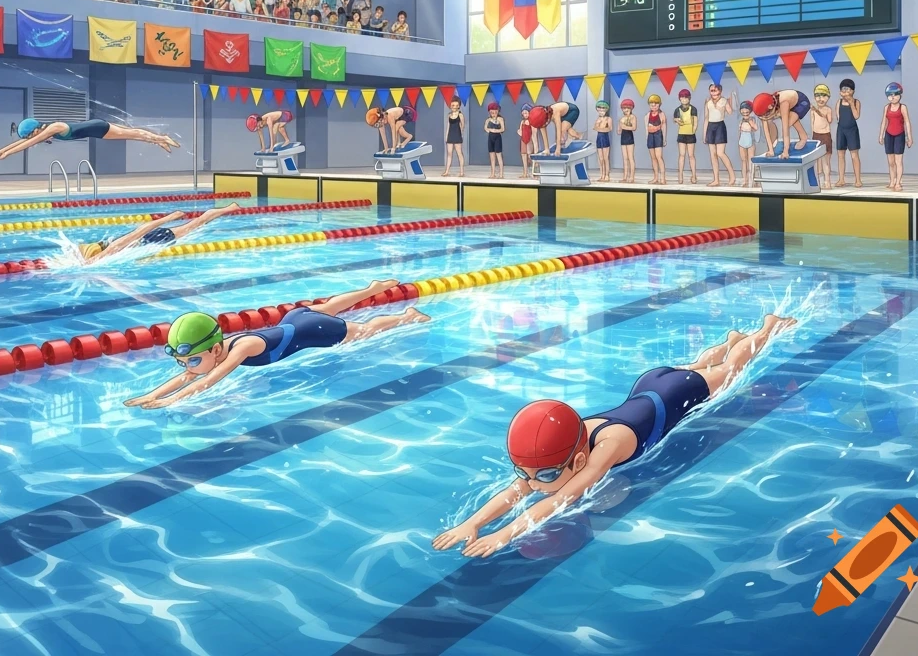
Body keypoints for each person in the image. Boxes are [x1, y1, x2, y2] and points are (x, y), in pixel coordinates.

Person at [432, 313, 797, 558]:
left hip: (674, 392)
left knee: (730, 369)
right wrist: (472, 523)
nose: (533, 484)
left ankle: (767, 328)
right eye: (526, 473)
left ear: (578, 460)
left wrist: (505, 534)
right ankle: (734, 338)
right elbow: (517, 491)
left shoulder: (608, 446)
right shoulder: (557, 454)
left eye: (544, 476)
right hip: (650, 384)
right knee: (701, 365)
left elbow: (564, 497)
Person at [124, 281, 430, 409]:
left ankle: (406, 315)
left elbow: (210, 380)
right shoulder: (211, 351)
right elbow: (189, 376)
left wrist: (170, 401)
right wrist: (150, 395)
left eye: (191, 361)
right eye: (183, 362)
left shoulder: (239, 349)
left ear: (215, 350)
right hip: (294, 318)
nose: (188, 369)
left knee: (365, 330)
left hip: (313, 331)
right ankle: (371, 289)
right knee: (330, 306)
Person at [78, 204, 240, 264]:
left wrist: (169, 218)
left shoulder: (114, 247)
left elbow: (141, 230)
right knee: (194, 225)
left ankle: (227, 209)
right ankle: (223, 210)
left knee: (194, 225)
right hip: (152, 240)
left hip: (155, 237)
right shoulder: (112, 248)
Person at [0, 118, 179, 159]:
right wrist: (2, 150)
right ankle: (160, 141)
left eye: (29, 134)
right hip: (96, 129)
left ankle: (163, 138)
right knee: (133, 134)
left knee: (133, 134)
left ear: (34, 130)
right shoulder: (46, 130)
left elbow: (29, 143)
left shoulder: (52, 128)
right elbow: (25, 141)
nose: (31, 138)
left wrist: (8, 154)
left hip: (98, 127)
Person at [752, 89, 811, 160]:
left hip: (801, 102)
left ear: (771, 107)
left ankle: (803, 137)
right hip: (786, 103)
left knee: (788, 123)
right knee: (789, 119)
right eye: (762, 117)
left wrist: (785, 152)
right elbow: (766, 131)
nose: (765, 118)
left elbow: (785, 131)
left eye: (766, 115)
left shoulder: (783, 103)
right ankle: (804, 135)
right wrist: (770, 150)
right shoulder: (763, 111)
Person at [878, 82, 912, 192]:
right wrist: (881, 134)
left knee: (898, 161)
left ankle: (898, 182)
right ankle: (892, 181)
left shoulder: (903, 108)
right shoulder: (886, 107)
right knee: (891, 162)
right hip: (889, 135)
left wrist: (909, 137)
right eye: (890, 95)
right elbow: (884, 121)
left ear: (899, 95)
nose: (893, 97)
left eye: (895, 94)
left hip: (899, 135)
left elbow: (907, 122)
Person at [703, 83, 736, 187]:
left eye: (715, 90)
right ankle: (716, 179)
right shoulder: (707, 102)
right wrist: (704, 134)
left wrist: (729, 102)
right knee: (713, 155)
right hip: (710, 127)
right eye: (711, 90)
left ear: (720, 91)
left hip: (720, 126)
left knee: (720, 153)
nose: (713, 92)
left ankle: (732, 176)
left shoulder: (723, 100)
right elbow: (706, 118)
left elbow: (730, 112)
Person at [834, 78, 863, 187]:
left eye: (848, 90)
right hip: (841, 130)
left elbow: (856, 116)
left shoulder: (856, 102)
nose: (845, 92)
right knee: (840, 155)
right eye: (843, 90)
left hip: (852, 130)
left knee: (854, 155)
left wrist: (851, 103)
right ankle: (841, 179)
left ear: (853, 91)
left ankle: (858, 180)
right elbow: (838, 117)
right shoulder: (839, 102)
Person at [809, 84, 833, 189]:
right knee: (816, 162)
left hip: (825, 135)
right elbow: (812, 124)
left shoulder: (828, 109)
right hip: (816, 135)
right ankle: (818, 182)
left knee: (825, 161)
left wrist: (818, 111)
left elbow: (829, 120)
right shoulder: (813, 110)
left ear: (828, 97)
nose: (821, 99)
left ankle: (827, 182)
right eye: (818, 96)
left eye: (824, 96)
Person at [673, 88, 698, 185]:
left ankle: (694, 175)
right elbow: (675, 120)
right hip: (681, 134)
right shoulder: (677, 109)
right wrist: (677, 121)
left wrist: (693, 131)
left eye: (686, 97)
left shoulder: (693, 109)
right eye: (682, 98)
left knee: (691, 155)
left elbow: (695, 122)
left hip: (690, 134)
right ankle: (680, 175)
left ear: (689, 98)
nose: (684, 99)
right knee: (682, 155)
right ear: (679, 99)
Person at [736, 101, 759, 188]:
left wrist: (751, 124)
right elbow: (740, 131)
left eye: (746, 111)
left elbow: (756, 128)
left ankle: (752, 179)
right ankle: (744, 180)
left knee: (750, 161)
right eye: (743, 111)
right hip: (742, 140)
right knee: (743, 161)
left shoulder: (751, 119)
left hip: (750, 140)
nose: (745, 113)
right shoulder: (741, 120)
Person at [645, 94, 666, 184]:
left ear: (659, 104)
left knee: (658, 157)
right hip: (650, 136)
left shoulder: (661, 114)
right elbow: (646, 128)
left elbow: (664, 127)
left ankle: (663, 177)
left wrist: (664, 139)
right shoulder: (647, 115)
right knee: (653, 158)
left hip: (658, 135)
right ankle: (656, 177)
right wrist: (647, 138)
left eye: (655, 104)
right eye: (651, 104)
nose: (653, 106)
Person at [443, 96, 466, 177]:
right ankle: (447, 171)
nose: (454, 107)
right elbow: (448, 126)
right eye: (453, 105)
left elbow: (463, 125)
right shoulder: (449, 115)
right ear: (450, 106)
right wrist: (446, 136)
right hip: (450, 135)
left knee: (459, 153)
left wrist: (461, 134)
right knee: (449, 153)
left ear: (459, 106)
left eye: (456, 105)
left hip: (457, 135)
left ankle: (462, 171)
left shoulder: (460, 115)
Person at [618, 99, 637, 183]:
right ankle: (625, 176)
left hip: (629, 137)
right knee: (625, 158)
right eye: (624, 108)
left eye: (627, 108)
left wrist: (623, 126)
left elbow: (634, 128)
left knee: (630, 157)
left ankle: (632, 176)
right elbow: (619, 132)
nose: (626, 110)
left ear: (631, 108)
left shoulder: (633, 117)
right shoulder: (622, 118)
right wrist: (619, 125)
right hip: (623, 138)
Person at [484, 102, 505, 179]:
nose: (493, 114)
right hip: (490, 138)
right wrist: (490, 130)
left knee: (499, 156)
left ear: (497, 111)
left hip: (497, 138)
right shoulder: (488, 120)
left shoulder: (500, 119)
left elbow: (503, 129)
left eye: (495, 112)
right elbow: (485, 128)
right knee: (492, 157)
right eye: (492, 112)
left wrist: (494, 130)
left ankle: (501, 173)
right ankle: (492, 173)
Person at [593, 100, 612, 182]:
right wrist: (600, 127)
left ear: (606, 110)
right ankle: (602, 175)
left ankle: (607, 175)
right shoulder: (598, 119)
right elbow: (594, 128)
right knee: (600, 158)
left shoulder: (608, 119)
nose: (601, 112)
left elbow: (609, 129)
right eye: (599, 110)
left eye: (603, 110)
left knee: (605, 158)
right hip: (599, 138)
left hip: (605, 138)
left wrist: (600, 128)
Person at [518, 103, 534, 179]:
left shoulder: (531, 122)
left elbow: (533, 133)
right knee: (524, 155)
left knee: (530, 156)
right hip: (523, 140)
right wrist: (519, 132)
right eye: (524, 113)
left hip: (529, 140)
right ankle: (525, 172)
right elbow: (520, 131)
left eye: (526, 113)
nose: (525, 115)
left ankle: (533, 172)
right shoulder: (522, 122)